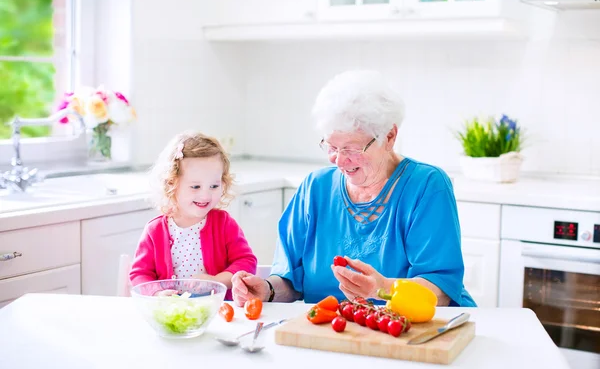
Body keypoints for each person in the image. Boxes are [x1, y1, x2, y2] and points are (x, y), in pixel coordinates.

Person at [232, 69, 476, 307]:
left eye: (351, 149)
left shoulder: (426, 186)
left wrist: (385, 288)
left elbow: (442, 291)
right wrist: (267, 290)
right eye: (331, 147)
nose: (339, 160)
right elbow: (291, 281)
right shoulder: (315, 188)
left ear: (389, 136)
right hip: (334, 332)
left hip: (409, 335)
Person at [130, 131, 257, 299]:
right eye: (196, 187)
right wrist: (157, 293)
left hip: (217, 312)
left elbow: (247, 262)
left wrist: (216, 280)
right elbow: (139, 275)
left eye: (214, 186)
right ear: (172, 184)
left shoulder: (224, 224)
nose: (205, 195)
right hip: (171, 315)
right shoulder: (155, 230)